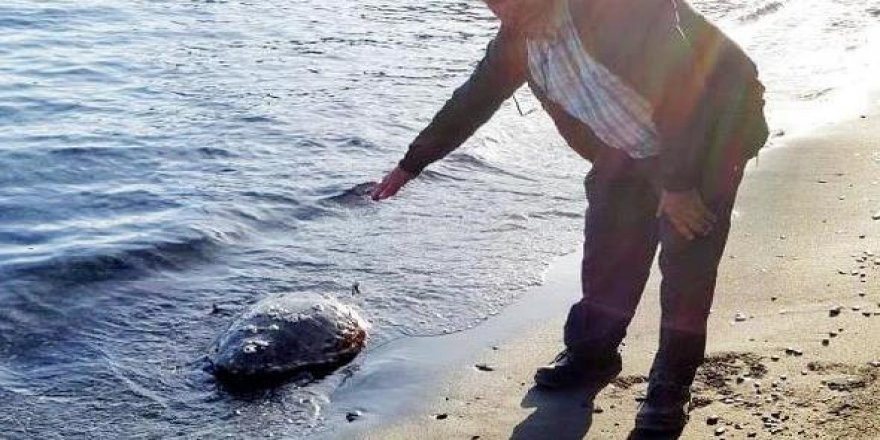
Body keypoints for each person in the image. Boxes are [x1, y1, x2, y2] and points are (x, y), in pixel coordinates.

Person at [370, 0, 768, 436]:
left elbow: (684, 89)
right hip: (626, 147)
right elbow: (473, 100)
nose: (505, 11)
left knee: (686, 263)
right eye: (494, 4)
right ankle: (591, 355)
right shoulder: (518, 38)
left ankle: (670, 385)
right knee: (608, 251)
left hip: (710, 134)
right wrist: (412, 164)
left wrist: (678, 184)